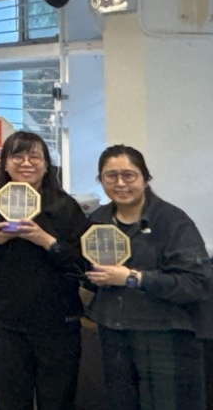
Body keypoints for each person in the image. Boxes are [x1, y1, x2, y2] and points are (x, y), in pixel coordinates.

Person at [0, 131, 85, 410]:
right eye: (17, 156)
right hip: (7, 322)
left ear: (46, 164)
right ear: (5, 163)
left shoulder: (65, 206)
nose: (26, 163)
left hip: (58, 322)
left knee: (57, 400)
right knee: (11, 399)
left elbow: (82, 263)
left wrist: (46, 241)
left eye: (34, 157)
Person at [83, 145, 210, 410]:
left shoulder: (172, 221)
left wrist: (133, 278)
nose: (120, 183)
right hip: (114, 335)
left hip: (165, 336)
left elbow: (197, 283)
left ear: (145, 178)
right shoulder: (97, 221)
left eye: (129, 175)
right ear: (100, 180)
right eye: (110, 176)